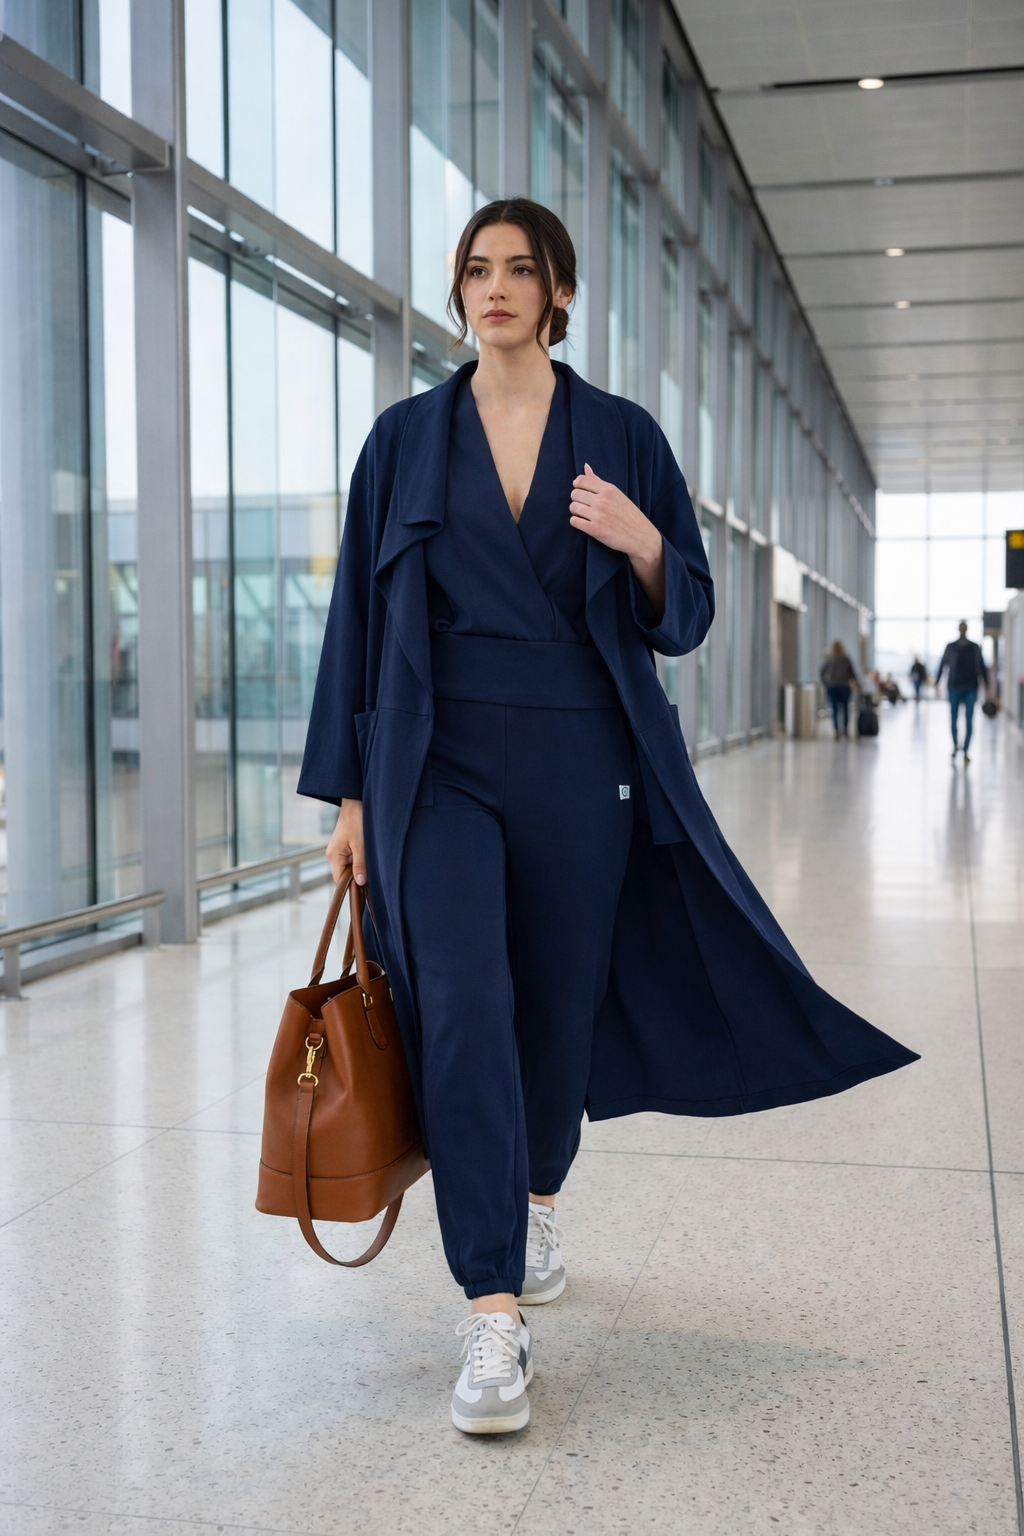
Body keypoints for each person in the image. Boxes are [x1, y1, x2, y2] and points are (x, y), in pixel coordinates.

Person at [298, 199, 919, 1438]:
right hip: (437, 765)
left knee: (553, 1003)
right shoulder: (404, 440)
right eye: (476, 269)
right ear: (458, 292)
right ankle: (489, 1307)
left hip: (583, 757)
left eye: (520, 269)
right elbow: (355, 629)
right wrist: (351, 796)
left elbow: (686, 611)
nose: (494, 287)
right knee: (461, 1001)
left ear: (561, 292)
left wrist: (641, 543)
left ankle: (532, 1193)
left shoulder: (623, 435)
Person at [935, 621, 989, 763]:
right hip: (954, 686)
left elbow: (981, 666)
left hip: (970, 687)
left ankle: (966, 750)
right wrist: (936, 683)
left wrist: (987, 685)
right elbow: (943, 664)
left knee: (969, 719)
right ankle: (955, 745)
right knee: (953, 718)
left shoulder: (974, 647)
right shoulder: (951, 647)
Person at [819, 640, 859, 738]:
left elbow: (822, 671)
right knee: (845, 708)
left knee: (834, 709)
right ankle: (845, 730)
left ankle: (836, 730)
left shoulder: (830, 659)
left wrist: (826, 683)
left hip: (832, 687)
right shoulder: (846, 659)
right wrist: (857, 683)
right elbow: (852, 673)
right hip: (844, 687)